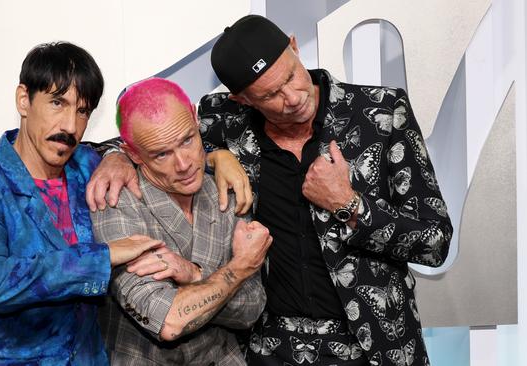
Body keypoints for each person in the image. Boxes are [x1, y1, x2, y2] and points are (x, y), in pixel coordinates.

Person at [87, 15, 453, 366]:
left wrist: (350, 205)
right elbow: (154, 141)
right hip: (266, 348)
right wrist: (117, 157)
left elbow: (435, 242)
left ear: (294, 47)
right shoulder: (223, 122)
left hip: (373, 345)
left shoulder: (382, 112)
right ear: (242, 100)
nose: (292, 98)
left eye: (292, 76)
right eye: (270, 95)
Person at [0, 42, 164, 365]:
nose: (70, 126)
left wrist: (218, 158)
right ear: (24, 100)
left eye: (82, 111)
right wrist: (103, 257)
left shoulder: (89, 166)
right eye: (57, 103)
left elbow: (164, 157)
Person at [92, 77, 271, 365]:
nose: (185, 164)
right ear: (132, 154)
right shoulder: (115, 201)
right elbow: (168, 319)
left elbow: (253, 308)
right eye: (162, 154)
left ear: (195, 117)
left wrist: (195, 275)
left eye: (187, 140)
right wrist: (239, 268)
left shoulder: (226, 191)